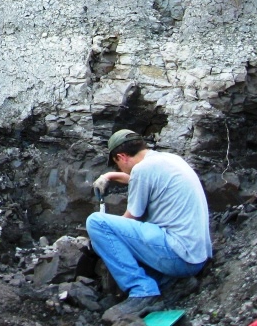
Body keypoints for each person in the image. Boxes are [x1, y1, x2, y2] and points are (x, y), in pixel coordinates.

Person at [86, 130, 213, 324]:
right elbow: (143, 180)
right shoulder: (169, 160)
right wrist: (111, 175)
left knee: (97, 223)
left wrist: (103, 240)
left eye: (117, 164)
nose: (123, 170)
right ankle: (173, 283)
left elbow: (132, 218)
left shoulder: (142, 169)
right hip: (196, 256)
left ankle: (142, 291)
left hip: (179, 255)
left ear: (121, 156)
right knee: (131, 246)